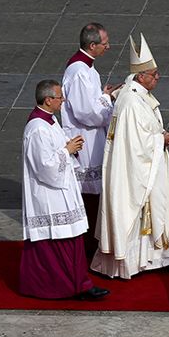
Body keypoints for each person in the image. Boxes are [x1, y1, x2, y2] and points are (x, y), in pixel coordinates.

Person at [91, 33, 169, 279]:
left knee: (156, 209)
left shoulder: (136, 93)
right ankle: (137, 261)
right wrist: (161, 139)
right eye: (154, 75)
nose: (158, 78)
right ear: (140, 76)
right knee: (143, 211)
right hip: (137, 170)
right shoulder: (131, 102)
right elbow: (135, 144)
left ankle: (163, 258)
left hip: (148, 164)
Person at [19, 79, 110, 300]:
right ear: (48, 100)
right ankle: (65, 286)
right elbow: (44, 167)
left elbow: (55, 151)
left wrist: (71, 147)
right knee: (58, 240)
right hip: (49, 193)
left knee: (71, 237)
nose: (63, 101)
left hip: (61, 189)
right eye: (60, 97)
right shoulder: (37, 128)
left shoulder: (50, 121)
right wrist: (67, 150)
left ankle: (78, 283)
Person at [60, 22, 123, 258]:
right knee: (89, 196)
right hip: (85, 140)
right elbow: (89, 113)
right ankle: (87, 250)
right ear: (92, 44)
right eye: (105, 43)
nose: (109, 47)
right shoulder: (79, 71)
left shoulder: (86, 69)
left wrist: (102, 94)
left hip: (90, 138)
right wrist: (108, 98)